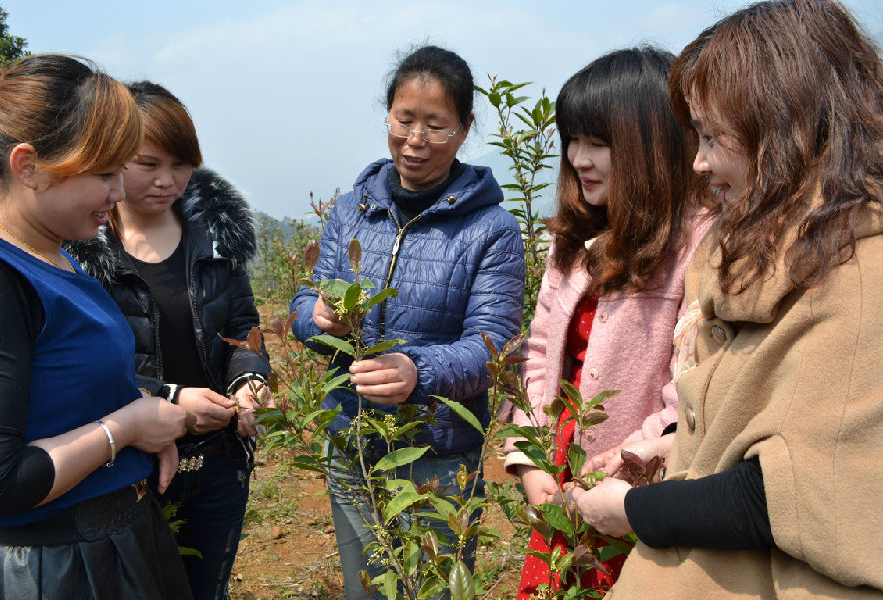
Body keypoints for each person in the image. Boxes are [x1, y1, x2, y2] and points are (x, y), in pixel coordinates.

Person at [561, 1, 883, 598]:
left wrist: (637, 511)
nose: (699, 161)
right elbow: (763, 427)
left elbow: (800, 491)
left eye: (712, 136)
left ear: (781, 124)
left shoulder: (860, 276)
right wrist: (669, 449)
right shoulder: (781, 258)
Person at [290, 45, 525, 599]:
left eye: (436, 125)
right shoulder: (353, 210)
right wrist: (317, 317)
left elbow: (492, 347)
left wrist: (414, 370)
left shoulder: (492, 230)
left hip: (439, 454)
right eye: (405, 119)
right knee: (366, 587)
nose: (415, 139)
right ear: (388, 116)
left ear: (465, 129)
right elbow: (306, 303)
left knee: (433, 589)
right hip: (352, 441)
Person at [498, 46, 712, 598]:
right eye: (572, 140)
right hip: (561, 471)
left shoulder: (699, 246)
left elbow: (688, 391)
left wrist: (614, 475)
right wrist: (531, 462)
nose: (578, 158)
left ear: (652, 147)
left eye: (597, 142)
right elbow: (542, 353)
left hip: (640, 491)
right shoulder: (574, 240)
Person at [0, 54, 194, 599]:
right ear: (28, 165)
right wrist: (125, 429)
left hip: (117, 541)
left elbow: (63, 387)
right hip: (61, 568)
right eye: (104, 175)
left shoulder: (53, 252)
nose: (119, 194)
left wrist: (150, 422)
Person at [65, 81, 269, 600]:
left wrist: (248, 380)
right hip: (130, 461)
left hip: (220, 455)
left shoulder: (215, 236)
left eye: (181, 164)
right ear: (110, 157)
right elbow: (83, 365)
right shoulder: (78, 251)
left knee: (207, 588)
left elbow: (243, 323)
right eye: (147, 164)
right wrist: (172, 397)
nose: (168, 181)